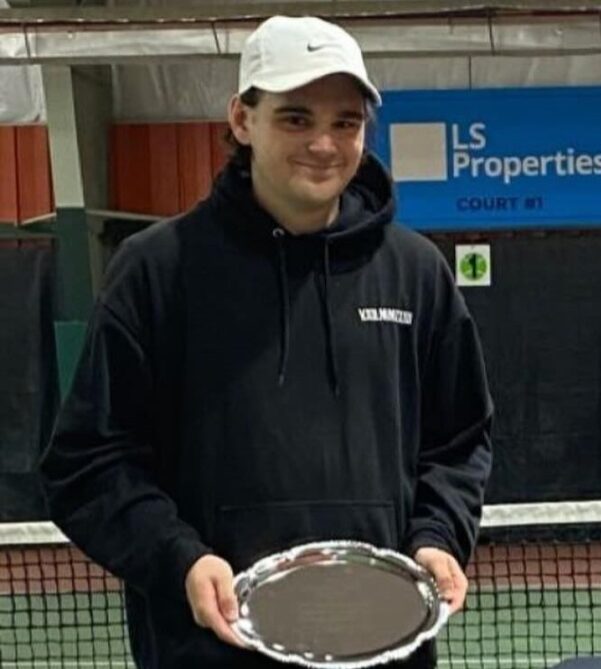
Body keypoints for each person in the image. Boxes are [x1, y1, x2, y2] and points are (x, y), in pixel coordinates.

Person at [39, 15, 493, 668]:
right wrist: (181, 557)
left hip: (382, 649)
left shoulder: (417, 272)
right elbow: (85, 462)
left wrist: (436, 536)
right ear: (242, 119)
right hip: (205, 650)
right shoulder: (156, 270)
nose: (324, 143)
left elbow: (460, 440)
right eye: (296, 118)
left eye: (345, 122)